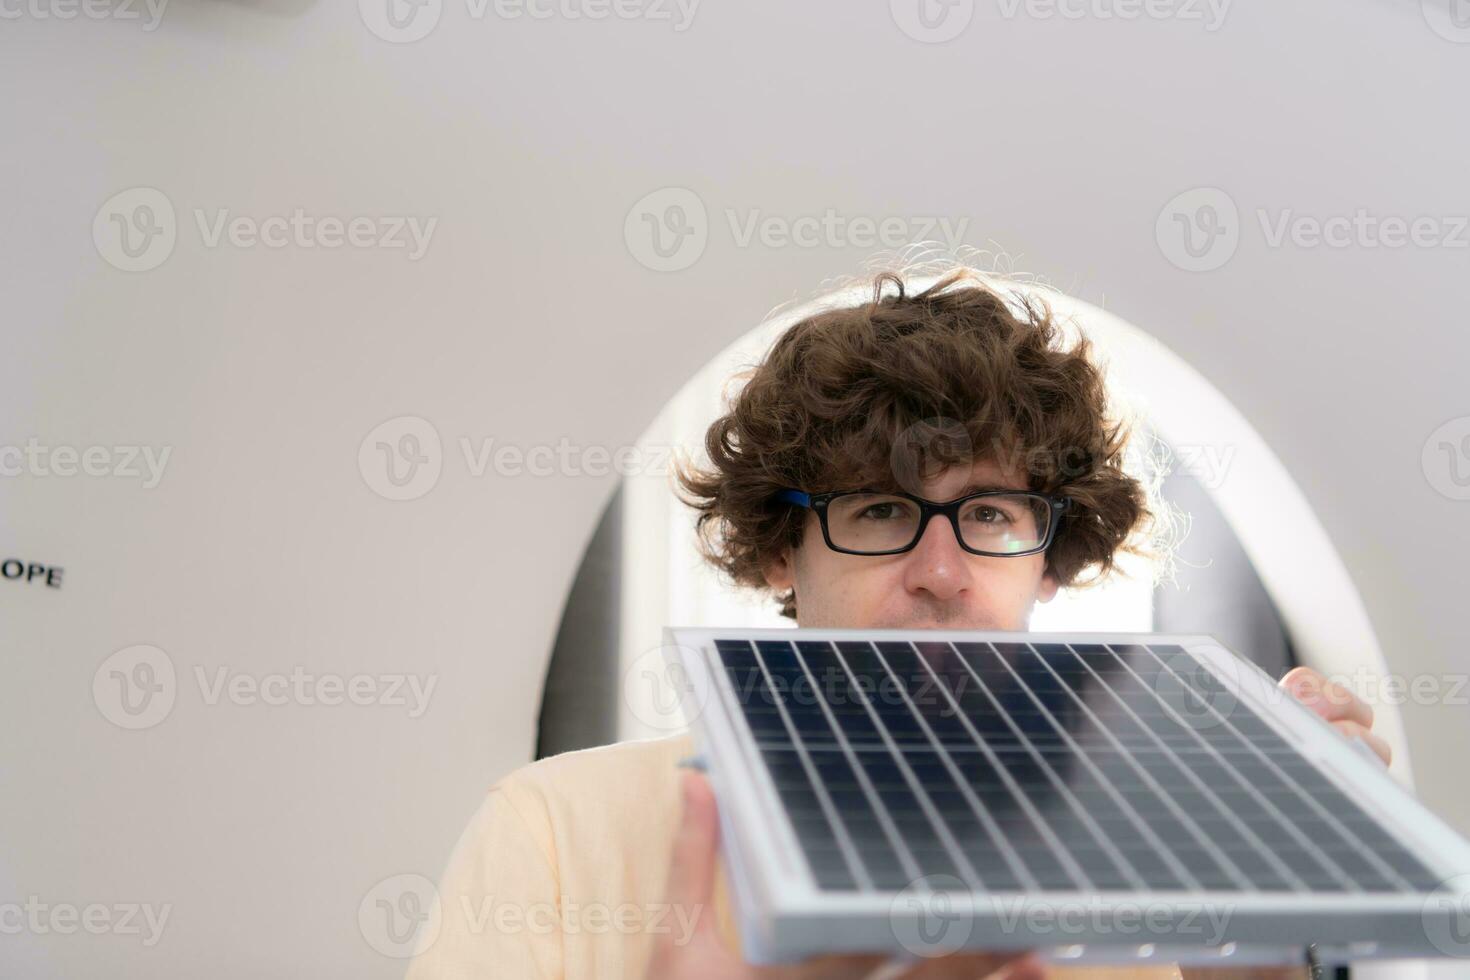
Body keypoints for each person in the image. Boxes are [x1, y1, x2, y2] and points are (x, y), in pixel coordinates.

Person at [405, 269, 1390, 980]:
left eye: (992, 515)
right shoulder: (556, 834)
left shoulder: (1138, 883)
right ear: (780, 549)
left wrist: (1257, 959)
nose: (943, 574)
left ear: (1049, 557)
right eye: (879, 509)